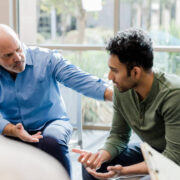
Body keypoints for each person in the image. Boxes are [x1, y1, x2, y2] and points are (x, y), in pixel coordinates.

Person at [0, 24, 112, 178]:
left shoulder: (46, 59)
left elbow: (81, 80)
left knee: (52, 141)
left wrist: (118, 95)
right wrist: (11, 129)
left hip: (51, 122)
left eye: (18, 49)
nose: (18, 58)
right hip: (10, 127)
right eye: (7, 55)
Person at [73, 28, 180, 180]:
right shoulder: (122, 90)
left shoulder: (173, 95)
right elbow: (119, 135)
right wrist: (100, 156)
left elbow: (173, 158)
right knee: (94, 169)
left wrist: (123, 171)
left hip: (175, 160)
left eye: (114, 71)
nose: (110, 77)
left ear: (135, 72)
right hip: (152, 151)